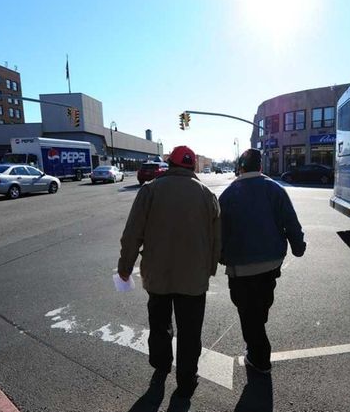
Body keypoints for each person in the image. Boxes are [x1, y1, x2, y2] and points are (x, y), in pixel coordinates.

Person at [118, 145, 221, 399]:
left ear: (170, 164)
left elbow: (132, 234)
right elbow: (217, 239)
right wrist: (209, 269)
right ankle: (186, 380)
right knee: (190, 332)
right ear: (193, 166)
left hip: (157, 275)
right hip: (194, 278)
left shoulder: (150, 190)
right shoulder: (206, 194)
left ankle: (161, 365)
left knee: (159, 323)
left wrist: (125, 266)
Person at [219, 148, 306, 374]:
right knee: (261, 306)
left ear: (240, 168)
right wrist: (298, 246)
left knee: (248, 314)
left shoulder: (228, 194)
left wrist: (219, 257)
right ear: (260, 167)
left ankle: (259, 358)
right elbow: (291, 221)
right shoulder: (274, 189)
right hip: (271, 263)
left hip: (240, 267)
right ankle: (258, 344)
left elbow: (218, 232)